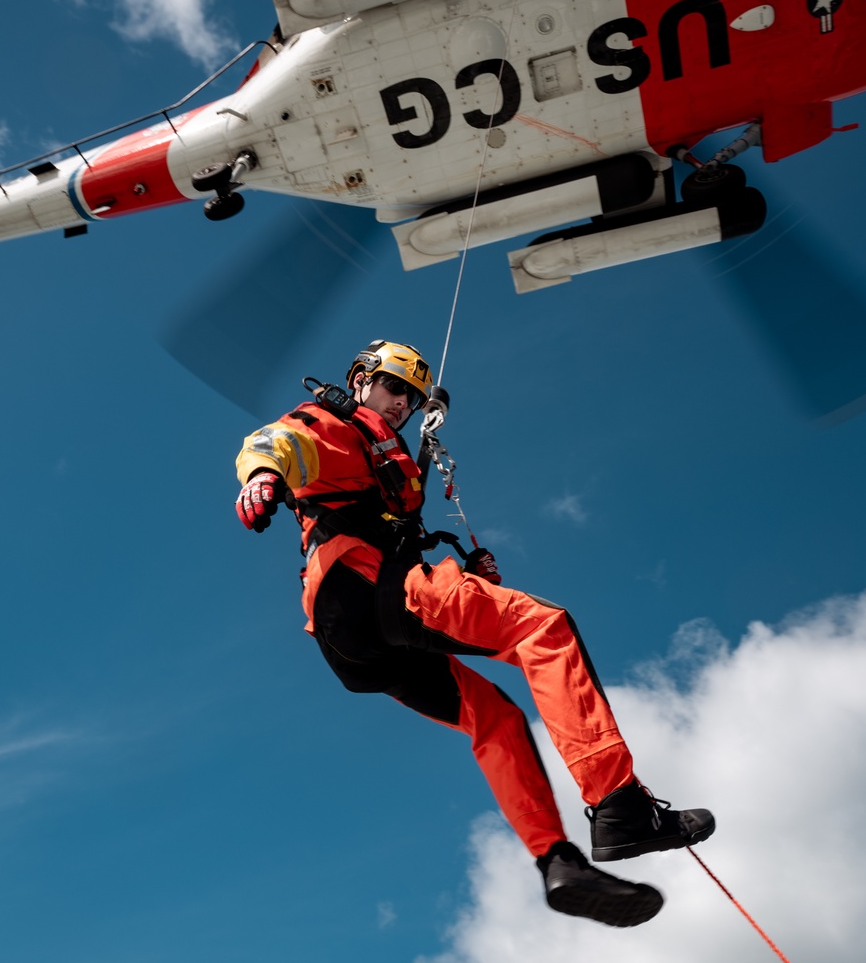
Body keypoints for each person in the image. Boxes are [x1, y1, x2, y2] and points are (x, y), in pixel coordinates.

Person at [234, 340, 714, 927]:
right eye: (392, 388)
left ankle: (557, 862)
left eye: (410, 399)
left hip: (354, 641)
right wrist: (259, 479)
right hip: (373, 590)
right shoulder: (336, 429)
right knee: (544, 629)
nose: (401, 405)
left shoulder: (380, 461)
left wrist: (463, 570)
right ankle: (620, 806)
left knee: (497, 719)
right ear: (360, 380)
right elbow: (277, 442)